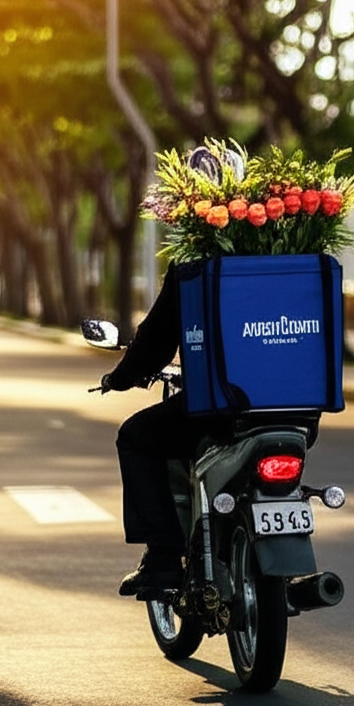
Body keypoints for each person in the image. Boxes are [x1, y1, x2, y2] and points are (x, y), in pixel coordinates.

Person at [100, 146, 237, 596]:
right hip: (298, 413)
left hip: (219, 408)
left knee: (136, 436)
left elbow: (158, 337)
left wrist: (120, 377)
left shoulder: (197, 262)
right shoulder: (286, 253)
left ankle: (162, 557)